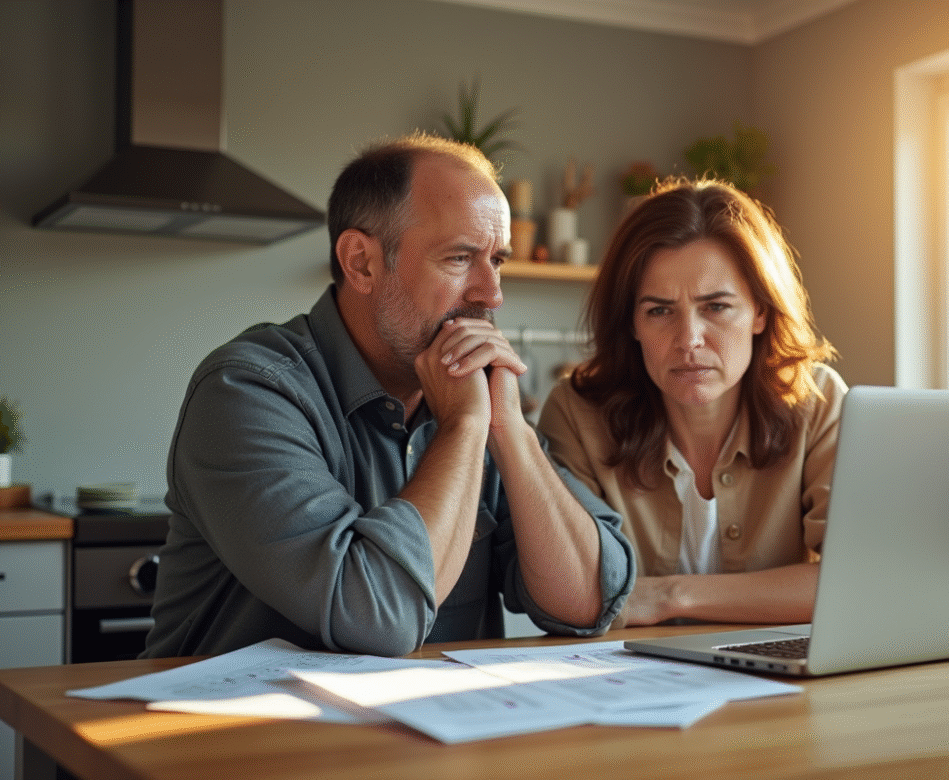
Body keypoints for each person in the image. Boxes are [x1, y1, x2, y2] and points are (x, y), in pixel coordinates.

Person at [143, 133, 634, 658]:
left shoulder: (478, 397)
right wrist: (465, 429)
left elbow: (588, 602)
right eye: (459, 258)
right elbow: (378, 620)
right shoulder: (246, 391)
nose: (492, 295)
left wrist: (510, 433)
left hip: (430, 711)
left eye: (497, 261)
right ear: (361, 263)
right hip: (235, 712)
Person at [537, 177, 845, 627]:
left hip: (773, 669)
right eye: (659, 311)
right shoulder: (575, 413)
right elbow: (570, 593)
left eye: (716, 307)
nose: (689, 340)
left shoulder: (818, 401)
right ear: (631, 323)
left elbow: (853, 581)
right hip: (625, 670)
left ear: (760, 311)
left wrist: (670, 596)